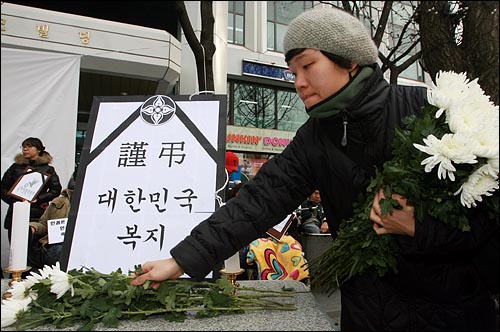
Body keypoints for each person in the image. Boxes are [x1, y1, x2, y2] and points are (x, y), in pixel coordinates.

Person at [131, 7, 498, 331]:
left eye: (308, 66)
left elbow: (486, 223)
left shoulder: (429, 113)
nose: (299, 82)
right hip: (366, 315)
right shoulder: (314, 140)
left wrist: (419, 227)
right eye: (293, 72)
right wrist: (180, 260)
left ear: (350, 60)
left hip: (453, 314)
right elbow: (257, 202)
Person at [1, 137, 62, 242]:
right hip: (15, 213)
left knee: (33, 248)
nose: (25, 149)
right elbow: (3, 188)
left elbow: (56, 189)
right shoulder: (15, 167)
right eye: (23, 146)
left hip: (38, 215)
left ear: (39, 150)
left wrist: (38, 199)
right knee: (15, 246)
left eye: (29, 146)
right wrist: (14, 201)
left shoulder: (48, 169)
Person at [27, 187, 73, 271]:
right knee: (59, 251)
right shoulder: (59, 202)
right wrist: (33, 227)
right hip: (55, 246)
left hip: (82, 246)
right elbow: (44, 225)